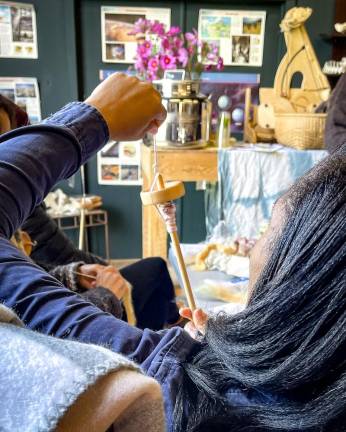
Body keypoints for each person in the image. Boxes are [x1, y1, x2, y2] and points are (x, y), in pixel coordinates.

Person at [0, 72, 345, 431]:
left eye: (268, 230)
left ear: (298, 282)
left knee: (152, 272)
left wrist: (95, 116)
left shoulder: (173, 385)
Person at [0, 93, 181, 330]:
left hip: (75, 293)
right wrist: (106, 295)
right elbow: (44, 333)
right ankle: (166, 329)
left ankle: (171, 321)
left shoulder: (20, 216)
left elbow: (32, 280)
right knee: (154, 271)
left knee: (155, 270)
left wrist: (75, 274)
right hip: (85, 322)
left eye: (7, 141)